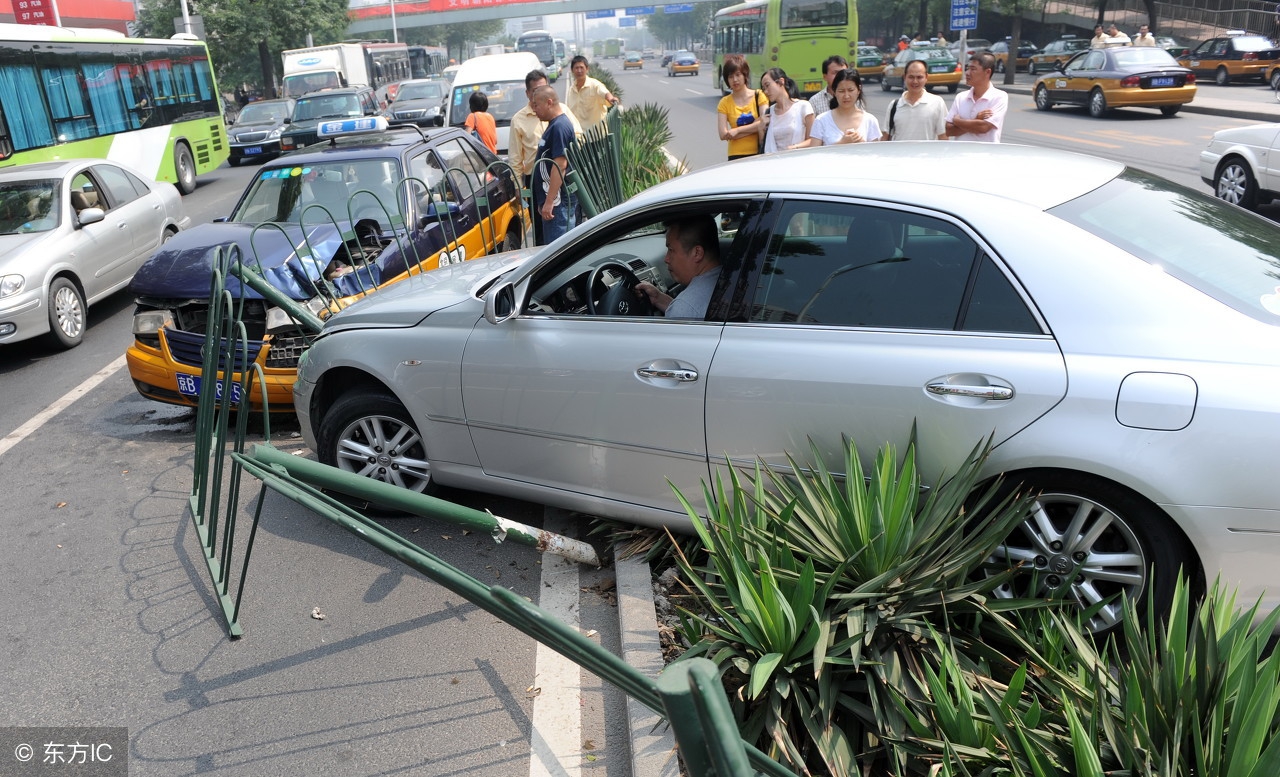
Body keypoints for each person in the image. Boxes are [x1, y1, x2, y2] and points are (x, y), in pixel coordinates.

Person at [634, 216, 721, 319]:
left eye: (671, 250)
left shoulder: (685, 308)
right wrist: (659, 298)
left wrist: (679, 307)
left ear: (697, 253)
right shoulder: (728, 278)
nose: (666, 259)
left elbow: (687, 310)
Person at [510, 70, 583, 189]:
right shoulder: (518, 120)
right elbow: (515, 157)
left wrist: (564, 158)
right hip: (536, 178)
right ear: (528, 93)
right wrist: (518, 185)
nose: (540, 93)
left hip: (564, 174)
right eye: (535, 91)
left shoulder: (562, 112)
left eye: (544, 88)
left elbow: (578, 137)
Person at [531, 85, 576, 245]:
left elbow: (560, 165)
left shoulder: (559, 127)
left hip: (558, 202)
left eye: (536, 104)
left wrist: (549, 201)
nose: (533, 109)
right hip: (553, 201)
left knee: (559, 249)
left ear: (549, 102)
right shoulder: (554, 125)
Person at [790, 68, 880, 147]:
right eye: (841, 91)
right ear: (834, 92)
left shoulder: (870, 120)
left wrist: (862, 144)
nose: (846, 96)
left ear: (858, 90)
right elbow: (814, 155)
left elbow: (875, 155)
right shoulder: (822, 120)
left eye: (850, 90)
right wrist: (841, 143)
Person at [880, 59, 947, 141]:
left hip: (928, 153)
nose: (915, 81)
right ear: (904, 77)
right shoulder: (894, 105)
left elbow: (943, 136)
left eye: (919, 77)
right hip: (899, 153)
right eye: (911, 77)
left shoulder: (937, 103)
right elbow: (886, 137)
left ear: (926, 77)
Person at [946, 53, 1007, 142]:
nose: (967, 73)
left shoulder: (999, 97)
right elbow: (949, 130)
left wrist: (957, 121)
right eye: (968, 69)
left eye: (973, 69)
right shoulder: (961, 97)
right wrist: (975, 120)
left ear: (987, 72)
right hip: (959, 154)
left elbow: (983, 127)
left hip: (986, 154)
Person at [716, 53, 767, 160]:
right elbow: (723, 135)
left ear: (745, 75)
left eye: (738, 75)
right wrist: (756, 126)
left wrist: (737, 131)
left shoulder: (759, 96)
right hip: (735, 155)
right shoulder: (724, 102)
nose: (735, 80)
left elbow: (765, 122)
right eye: (730, 76)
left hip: (759, 151)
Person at [761, 68, 813, 152]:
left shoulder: (803, 106)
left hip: (800, 160)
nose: (766, 91)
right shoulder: (769, 112)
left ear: (781, 81)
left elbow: (813, 140)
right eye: (763, 88)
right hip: (775, 162)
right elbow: (765, 145)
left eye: (767, 85)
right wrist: (761, 128)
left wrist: (794, 147)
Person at [566, 55, 618, 130]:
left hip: (596, 136)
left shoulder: (595, 85)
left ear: (587, 69)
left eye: (581, 67)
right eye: (576, 68)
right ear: (572, 70)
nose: (579, 71)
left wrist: (611, 98)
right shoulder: (571, 90)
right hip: (579, 136)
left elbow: (604, 93)